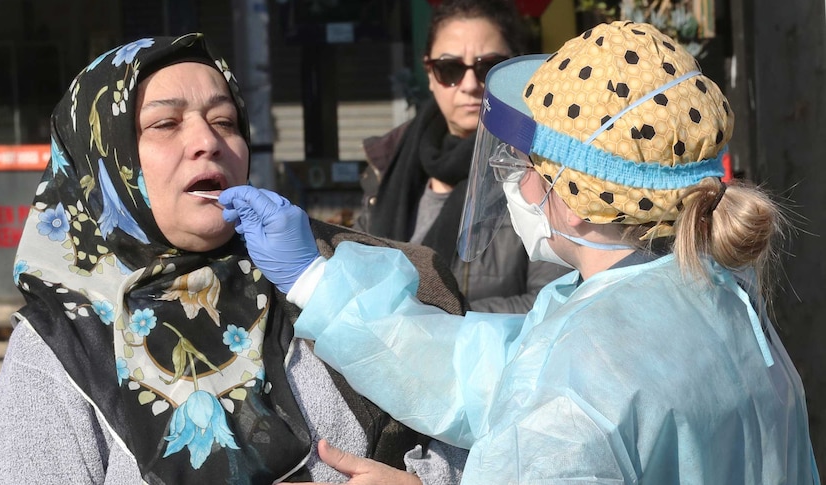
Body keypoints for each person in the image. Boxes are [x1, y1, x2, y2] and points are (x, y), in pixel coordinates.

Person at [220, 22, 821, 484]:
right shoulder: (711, 294)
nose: (518, 185)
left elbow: (549, 409)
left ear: (582, 200)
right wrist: (315, 281)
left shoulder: (582, 366)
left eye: (530, 168)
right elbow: (477, 374)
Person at [0, 33, 469, 484]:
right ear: (103, 160)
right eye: (165, 124)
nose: (207, 142)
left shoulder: (334, 275)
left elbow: (485, 433)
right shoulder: (59, 341)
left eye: (225, 121)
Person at [356, 0, 567, 313]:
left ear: (514, 71)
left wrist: (436, 319)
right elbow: (357, 281)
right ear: (429, 73)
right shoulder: (388, 164)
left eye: (488, 67)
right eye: (450, 69)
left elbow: (555, 302)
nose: (470, 85)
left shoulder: (542, 168)